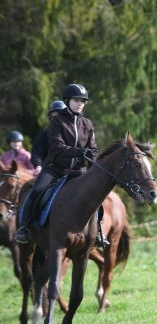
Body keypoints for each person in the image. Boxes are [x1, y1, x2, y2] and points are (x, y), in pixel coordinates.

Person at [15, 84, 108, 247]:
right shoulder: (57, 122)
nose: (80, 104)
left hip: (78, 170)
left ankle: (98, 232)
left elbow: (93, 147)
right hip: (54, 168)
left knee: (95, 196)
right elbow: (57, 146)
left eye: (82, 101)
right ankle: (25, 228)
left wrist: (91, 159)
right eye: (76, 100)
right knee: (36, 191)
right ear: (67, 101)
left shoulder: (87, 124)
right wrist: (79, 152)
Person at [30, 101, 68, 176]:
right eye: (53, 116)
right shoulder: (44, 135)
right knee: (38, 188)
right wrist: (38, 165)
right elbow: (37, 153)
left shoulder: (75, 132)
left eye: (59, 115)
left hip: (73, 170)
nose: (56, 118)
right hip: (51, 170)